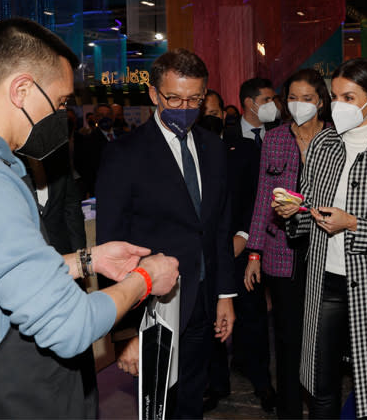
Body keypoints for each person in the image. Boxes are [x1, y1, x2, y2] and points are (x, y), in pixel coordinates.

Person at [0, 18, 179, 419]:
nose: (63, 114)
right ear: (21, 89)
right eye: (62, 101)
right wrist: (146, 280)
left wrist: (88, 260)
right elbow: (70, 326)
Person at [274, 58, 367, 418]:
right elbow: (310, 210)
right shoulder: (323, 145)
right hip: (324, 282)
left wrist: (354, 223)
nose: (339, 105)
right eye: (335, 96)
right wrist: (296, 213)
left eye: (349, 97)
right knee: (321, 387)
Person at [97, 49, 236, 419]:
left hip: (203, 300)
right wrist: (127, 334)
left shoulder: (214, 148)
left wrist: (224, 295)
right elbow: (110, 248)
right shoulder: (123, 154)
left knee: (191, 401)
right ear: (154, 95)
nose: (184, 106)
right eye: (173, 98)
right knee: (155, 407)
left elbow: (219, 227)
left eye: (193, 99)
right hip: (152, 307)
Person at [244, 68, 332, 419]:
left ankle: (322, 405)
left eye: (306, 98)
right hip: (281, 254)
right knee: (286, 337)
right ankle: (290, 412)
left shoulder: (335, 139)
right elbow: (263, 197)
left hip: (324, 252)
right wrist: (254, 252)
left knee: (322, 339)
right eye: (292, 98)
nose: (298, 105)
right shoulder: (275, 139)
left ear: (321, 101)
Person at [199, 90, 274, 413]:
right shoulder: (186, 152)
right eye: (206, 111)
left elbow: (258, 196)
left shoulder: (243, 149)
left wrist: (245, 236)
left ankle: (262, 384)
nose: (210, 116)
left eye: (215, 111)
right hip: (203, 253)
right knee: (208, 321)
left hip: (240, 249)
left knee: (253, 318)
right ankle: (216, 384)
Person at [226, 77, 277, 147]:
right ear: (249, 102)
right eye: (266, 100)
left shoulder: (278, 131)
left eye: (273, 100)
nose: (272, 104)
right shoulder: (227, 135)